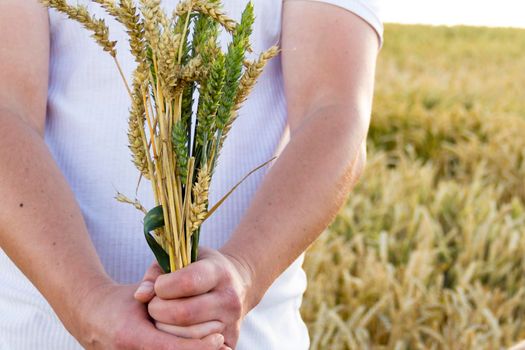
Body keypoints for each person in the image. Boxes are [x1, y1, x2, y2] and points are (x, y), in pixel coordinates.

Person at [0, 0, 383, 348]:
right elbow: (6, 112)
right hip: (41, 334)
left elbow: (335, 112)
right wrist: (85, 301)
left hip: (245, 337)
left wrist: (245, 271)